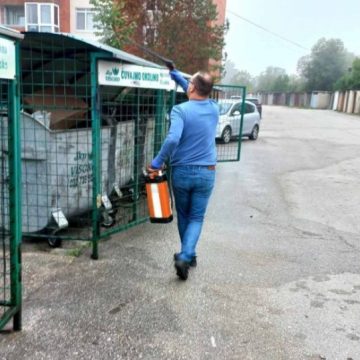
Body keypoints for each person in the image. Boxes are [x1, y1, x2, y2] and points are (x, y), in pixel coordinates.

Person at [148, 68, 219, 280]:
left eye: (189, 83)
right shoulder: (215, 108)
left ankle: (186, 254)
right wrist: (176, 74)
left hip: (182, 172)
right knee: (197, 217)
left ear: (192, 87)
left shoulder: (180, 110)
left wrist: (156, 162)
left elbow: (172, 140)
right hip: (207, 171)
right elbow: (196, 89)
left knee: (185, 215)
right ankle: (188, 254)